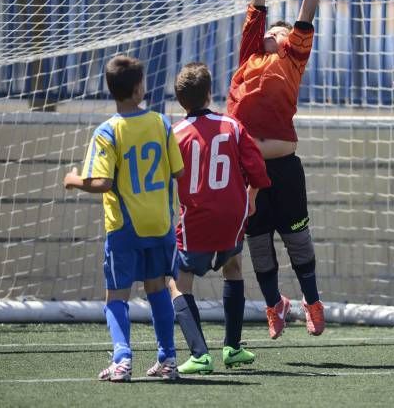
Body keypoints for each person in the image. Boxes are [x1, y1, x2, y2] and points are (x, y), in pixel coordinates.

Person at [226, 0, 328, 339]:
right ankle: (274, 306)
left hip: (284, 168)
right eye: (272, 29)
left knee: (296, 236)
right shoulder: (249, 56)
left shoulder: (292, 60)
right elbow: (256, 13)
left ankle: (312, 302)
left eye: (283, 31)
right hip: (247, 168)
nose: (276, 32)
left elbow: (304, 19)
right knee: (259, 241)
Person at [63, 55, 184, 382]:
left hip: (125, 228)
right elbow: (178, 170)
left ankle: (122, 359)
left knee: (116, 296)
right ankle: (168, 358)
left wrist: (73, 180)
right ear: (138, 88)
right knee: (158, 289)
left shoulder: (107, 131)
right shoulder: (161, 123)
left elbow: (102, 182)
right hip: (159, 224)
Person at [166, 62, 271, 375]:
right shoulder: (233, 126)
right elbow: (259, 172)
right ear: (210, 93)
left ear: (180, 99)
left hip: (196, 217)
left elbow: (165, 176)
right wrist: (250, 198)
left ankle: (199, 354)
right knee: (233, 266)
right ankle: (233, 347)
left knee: (178, 282)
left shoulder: (175, 134)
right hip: (232, 215)